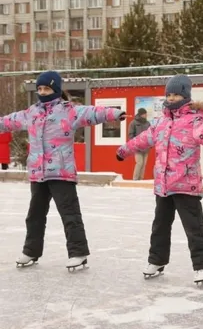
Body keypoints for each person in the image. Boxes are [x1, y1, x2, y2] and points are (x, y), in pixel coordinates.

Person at [116, 74, 203, 284]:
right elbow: (144, 139)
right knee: (160, 225)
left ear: (185, 96)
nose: (171, 98)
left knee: (194, 227)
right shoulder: (160, 121)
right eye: (168, 94)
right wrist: (124, 150)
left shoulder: (195, 121)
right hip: (163, 185)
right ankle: (156, 261)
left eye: (176, 94)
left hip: (186, 185)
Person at [0, 70, 126, 270]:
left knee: (69, 214)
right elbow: (9, 121)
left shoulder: (69, 111)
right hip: (38, 174)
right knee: (34, 215)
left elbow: (92, 112)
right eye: (40, 88)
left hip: (61, 172)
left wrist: (115, 113)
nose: (42, 92)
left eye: (47, 88)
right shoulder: (31, 112)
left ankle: (78, 253)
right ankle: (31, 251)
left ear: (56, 90)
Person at [128, 108, 151, 180]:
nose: (146, 115)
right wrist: (134, 143)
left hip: (146, 147)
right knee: (139, 163)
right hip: (137, 147)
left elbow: (150, 134)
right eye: (145, 114)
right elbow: (131, 135)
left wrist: (150, 144)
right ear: (141, 114)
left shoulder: (148, 123)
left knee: (144, 164)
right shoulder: (133, 123)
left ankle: (141, 179)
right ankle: (135, 179)